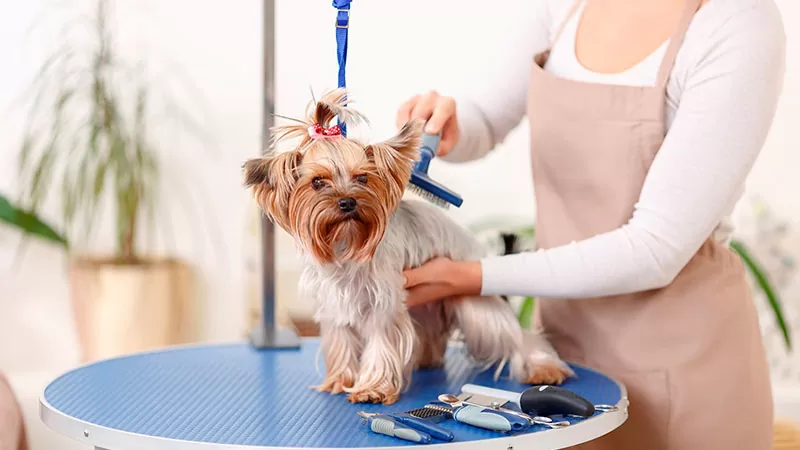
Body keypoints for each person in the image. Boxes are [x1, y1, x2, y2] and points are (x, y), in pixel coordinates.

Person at [396, 0, 786, 448]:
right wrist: (451, 126)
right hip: (560, 355)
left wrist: (469, 277)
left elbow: (655, 249)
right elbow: (486, 120)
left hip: (684, 367)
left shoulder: (736, 21)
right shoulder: (561, 7)